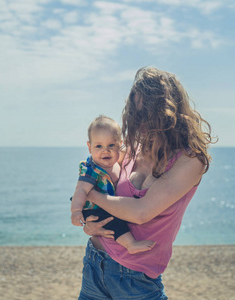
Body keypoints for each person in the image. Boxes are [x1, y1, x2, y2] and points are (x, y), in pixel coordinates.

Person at [78, 67, 216, 300]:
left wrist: (89, 195)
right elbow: (92, 172)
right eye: (136, 113)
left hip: (136, 280)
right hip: (95, 263)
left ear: (169, 112)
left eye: (147, 113)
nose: (140, 123)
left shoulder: (189, 160)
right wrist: (88, 223)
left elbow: (141, 213)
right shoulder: (132, 149)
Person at [71, 115, 155, 254]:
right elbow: (80, 189)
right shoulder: (92, 169)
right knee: (113, 222)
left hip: (107, 205)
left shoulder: (117, 163)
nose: (106, 150)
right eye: (99, 146)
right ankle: (131, 244)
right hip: (94, 209)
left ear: (120, 144)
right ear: (89, 147)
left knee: (114, 218)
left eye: (111, 145)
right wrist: (76, 211)